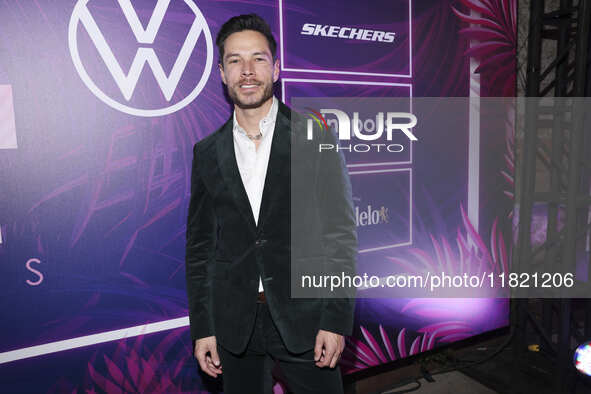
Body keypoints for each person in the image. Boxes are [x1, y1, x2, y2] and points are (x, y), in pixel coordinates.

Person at [184, 13, 357, 394]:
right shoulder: (206, 153)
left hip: (308, 319)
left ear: (276, 69)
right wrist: (204, 327)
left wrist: (335, 319)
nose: (247, 71)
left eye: (259, 59)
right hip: (234, 326)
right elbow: (200, 249)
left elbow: (339, 235)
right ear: (222, 73)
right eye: (235, 61)